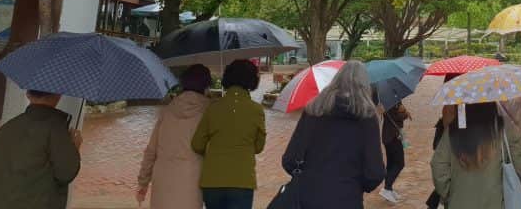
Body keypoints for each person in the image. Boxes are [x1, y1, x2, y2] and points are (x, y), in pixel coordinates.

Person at [281, 60, 385, 209]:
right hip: (347, 197)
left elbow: (290, 159)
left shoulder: (313, 110)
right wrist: (354, 186)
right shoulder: (367, 117)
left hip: (307, 196)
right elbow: (374, 172)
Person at [0, 89, 81, 209]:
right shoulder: (56, 130)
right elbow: (66, 173)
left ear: (28, 94)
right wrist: (74, 148)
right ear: (58, 95)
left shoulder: (5, 130)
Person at [191, 60, 266, 209]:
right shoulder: (256, 110)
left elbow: (197, 144)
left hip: (212, 180)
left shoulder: (213, 108)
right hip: (242, 180)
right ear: (253, 80)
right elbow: (258, 147)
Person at [136, 64, 212, 209]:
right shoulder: (209, 111)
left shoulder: (167, 110)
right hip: (192, 180)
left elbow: (151, 151)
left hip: (163, 180)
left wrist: (143, 182)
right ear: (206, 85)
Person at [430, 101, 521, 209]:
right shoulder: (504, 129)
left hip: (458, 202)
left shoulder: (452, 130)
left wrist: (449, 193)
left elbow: (438, 165)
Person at [425, 74, 459, 209]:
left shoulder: (455, 100)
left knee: (450, 178)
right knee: (450, 178)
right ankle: (435, 203)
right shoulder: (451, 103)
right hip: (452, 148)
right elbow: (448, 127)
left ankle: (434, 203)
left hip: (452, 147)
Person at [379, 101, 411, 204]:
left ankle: (389, 189)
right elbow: (397, 116)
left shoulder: (387, 98)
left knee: (391, 164)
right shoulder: (392, 100)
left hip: (388, 136)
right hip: (392, 137)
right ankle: (387, 189)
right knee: (400, 163)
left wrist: (403, 109)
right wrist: (405, 112)